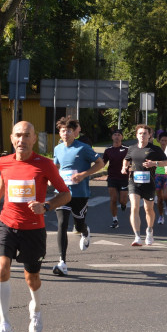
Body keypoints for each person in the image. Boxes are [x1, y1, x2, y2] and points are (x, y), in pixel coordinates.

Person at [0, 121, 70, 332]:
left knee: (32, 277)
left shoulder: (45, 164)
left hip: (33, 229)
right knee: (2, 266)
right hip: (7, 223)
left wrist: (47, 206)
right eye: (18, 136)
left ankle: (36, 309)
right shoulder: (4, 162)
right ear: (12, 138)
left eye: (26, 136)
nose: (21, 140)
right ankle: (4, 324)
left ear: (34, 139)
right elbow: (3, 181)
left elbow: (65, 193)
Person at [52, 117, 105, 276]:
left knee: (78, 224)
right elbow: (55, 166)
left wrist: (84, 174)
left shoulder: (83, 148)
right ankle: (62, 261)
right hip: (62, 192)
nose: (65, 133)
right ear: (59, 132)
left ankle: (85, 231)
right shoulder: (57, 149)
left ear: (74, 132)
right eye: (62, 131)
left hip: (80, 193)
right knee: (61, 224)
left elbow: (100, 164)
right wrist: (51, 179)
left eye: (68, 131)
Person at [122, 124, 167, 246]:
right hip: (134, 181)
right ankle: (137, 236)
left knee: (149, 209)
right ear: (137, 135)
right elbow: (126, 158)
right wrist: (124, 167)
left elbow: (166, 162)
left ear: (149, 135)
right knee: (134, 207)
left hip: (149, 183)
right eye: (140, 133)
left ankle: (149, 230)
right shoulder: (131, 148)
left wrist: (154, 163)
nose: (142, 135)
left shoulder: (155, 149)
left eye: (145, 133)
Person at [103, 129, 129, 229]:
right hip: (112, 177)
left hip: (124, 178)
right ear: (112, 137)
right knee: (113, 199)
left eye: (119, 135)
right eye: (115, 135)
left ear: (122, 137)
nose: (117, 136)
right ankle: (115, 220)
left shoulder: (127, 149)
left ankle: (123, 204)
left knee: (123, 200)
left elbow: (131, 161)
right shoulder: (108, 150)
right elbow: (103, 162)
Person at [154, 130, 167, 225]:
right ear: (159, 141)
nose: (164, 142)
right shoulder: (156, 150)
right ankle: (161, 216)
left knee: (165, 196)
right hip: (157, 175)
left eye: (165, 140)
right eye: (162, 140)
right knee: (159, 199)